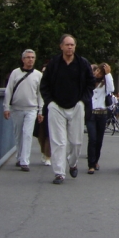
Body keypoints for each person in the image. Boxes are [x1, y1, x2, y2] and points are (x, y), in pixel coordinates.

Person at [40, 34, 95, 185]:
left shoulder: (82, 63)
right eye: (67, 45)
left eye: (72, 45)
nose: (70, 47)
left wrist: (83, 101)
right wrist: (49, 102)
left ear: (75, 47)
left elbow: (91, 83)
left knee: (76, 141)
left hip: (76, 105)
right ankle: (59, 173)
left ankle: (73, 163)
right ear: (61, 47)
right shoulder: (54, 63)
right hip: (56, 105)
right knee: (58, 141)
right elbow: (44, 84)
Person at [3, 49, 43, 171]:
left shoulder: (38, 75)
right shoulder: (15, 73)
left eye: (32, 57)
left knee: (27, 134)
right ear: (23, 59)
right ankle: (20, 157)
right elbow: (9, 90)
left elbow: (40, 94)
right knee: (18, 134)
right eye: (28, 57)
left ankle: (25, 161)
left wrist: (41, 110)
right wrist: (6, 107)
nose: (30, 59)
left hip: (31, 108)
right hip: (16, 108)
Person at [86, 63, 114, 174]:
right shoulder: (90, 81)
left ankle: (96, 160)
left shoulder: (105, 83)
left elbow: (111, 88)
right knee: (92, 139)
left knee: (99, 140)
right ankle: (91, 164)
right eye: (97, 70)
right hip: (91, 113)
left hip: (102, 113)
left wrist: (108, 74)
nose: (97, 73)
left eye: (100, 72)